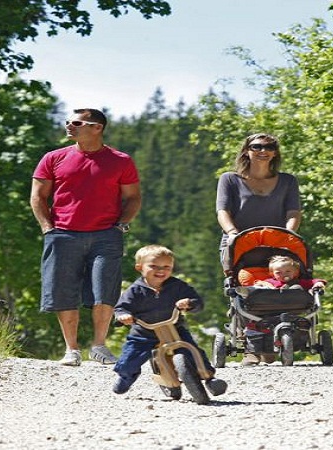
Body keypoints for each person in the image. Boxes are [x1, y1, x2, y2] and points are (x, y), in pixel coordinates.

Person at [30, 108, 142, 367]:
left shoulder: (121, 160)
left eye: (77, 123)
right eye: (68, 122)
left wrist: (121, 225)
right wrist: (48, 228)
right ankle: (71, 350)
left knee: (105, 288)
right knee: (62, 290)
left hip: (106, 235)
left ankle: (99, 346)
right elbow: (38, 196)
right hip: (62, 234)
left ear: (97, 127)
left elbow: (133, 197)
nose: (69, 126)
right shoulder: (53, 158)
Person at [216, 133, 302, 366]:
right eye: (256, 147)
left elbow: (293, 211)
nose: (262, 150)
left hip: (276, 242)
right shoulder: (230, 179)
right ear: (247, 151)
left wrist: (289, 233)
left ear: (275, 152)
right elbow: (222, 210)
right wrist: (232, 232)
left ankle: (276, 342)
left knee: (279, 288)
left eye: (268, 147)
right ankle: (250, 345)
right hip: (241, 242)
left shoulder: (287, 181)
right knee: (244, 289)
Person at [112, 245, 228, 396]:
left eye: (167, 266)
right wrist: (123, 316)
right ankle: (127, 376)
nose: (161, 270)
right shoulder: (135, 291)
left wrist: (189, 303)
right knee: (130, 358)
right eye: (153, 266)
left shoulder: (177, 286)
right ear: (139, 267)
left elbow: (197, 302)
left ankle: (208, 377)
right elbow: (121, 307)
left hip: (174, 329)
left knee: (192, 350)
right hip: (144, 332)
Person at [236, 255, 326, 296]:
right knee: (261, 288)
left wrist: (318, 283)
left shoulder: (299, 281)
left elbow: (312, 281)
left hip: (292, 300)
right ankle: (247, 291)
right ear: (272, 274)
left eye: (288, 271)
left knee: (297, 287)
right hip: (270, 300)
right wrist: (263, 284)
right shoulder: (271, 281)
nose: (284, 274)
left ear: (295, 272)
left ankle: (291, 292)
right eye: (279, 273)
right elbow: (259, 283)